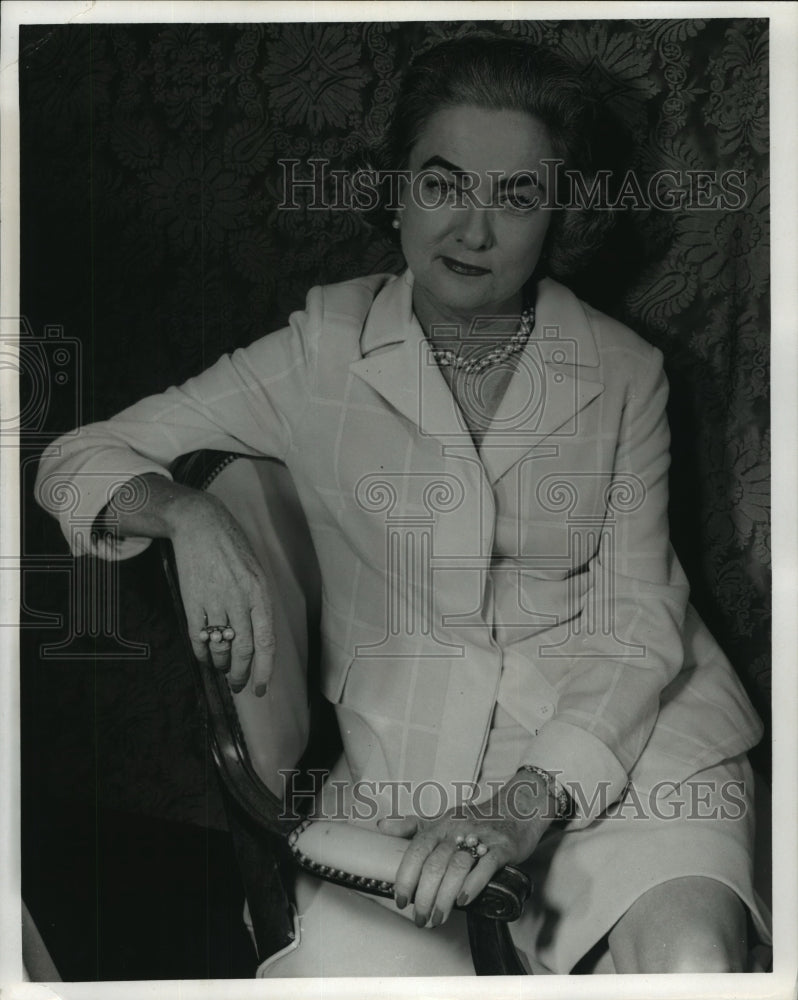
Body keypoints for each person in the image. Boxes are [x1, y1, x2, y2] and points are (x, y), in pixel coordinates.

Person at [35, 37, 770, 975]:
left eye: (515, 196)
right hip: (412, 759)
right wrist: (186, 513)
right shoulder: (321, 351)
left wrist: (522, 803)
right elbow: (72, 458)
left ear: (557, 215)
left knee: (693, 968)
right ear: (396, 191)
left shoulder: (627, 373)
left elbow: (641, 623)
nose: (473, 229)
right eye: (443, 183)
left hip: (634, 736)